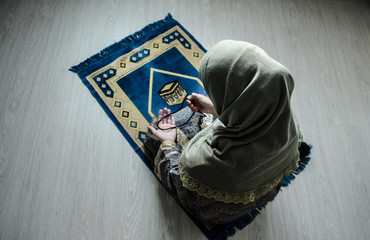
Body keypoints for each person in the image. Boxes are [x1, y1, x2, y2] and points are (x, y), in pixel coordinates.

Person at [145, 40, 310, 224]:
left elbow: (179, 184)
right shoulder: (287, 122)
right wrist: (217, 108)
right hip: (261, 182)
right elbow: (252, 114)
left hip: (217, 208)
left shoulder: (200, 163)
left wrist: (168, 142)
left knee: (157, 131)